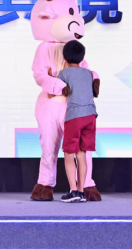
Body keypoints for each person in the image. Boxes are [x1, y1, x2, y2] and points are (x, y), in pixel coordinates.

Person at [54, 40, 98, 203]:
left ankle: (73, 190)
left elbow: (57, 90)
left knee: (68, 153)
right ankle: (81, 191)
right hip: (91, 115)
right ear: (82, 57)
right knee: (82, 153)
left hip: (75, 116)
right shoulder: (88, 73)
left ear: (64, 58)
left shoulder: (64, 73)